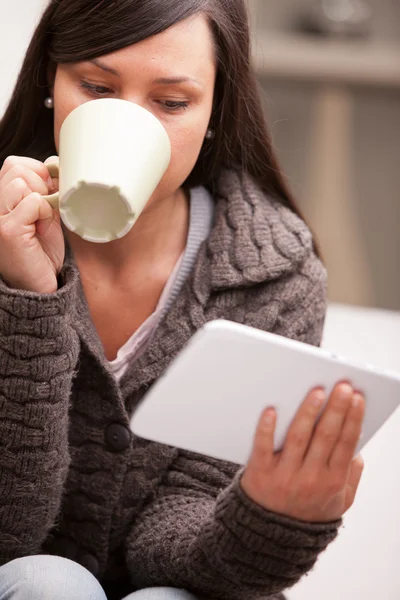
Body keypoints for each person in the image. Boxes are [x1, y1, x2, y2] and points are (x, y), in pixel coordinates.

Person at [0, 1, 365, 599]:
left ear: (216, 107)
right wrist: (27, 303)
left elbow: (176, 539)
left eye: (171, 103)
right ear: (50, 79)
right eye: (96, 87)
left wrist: (269, 521)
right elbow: (9, 537)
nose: (128, 122)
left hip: (182, 586)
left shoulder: (273, 277)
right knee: (47, 582)